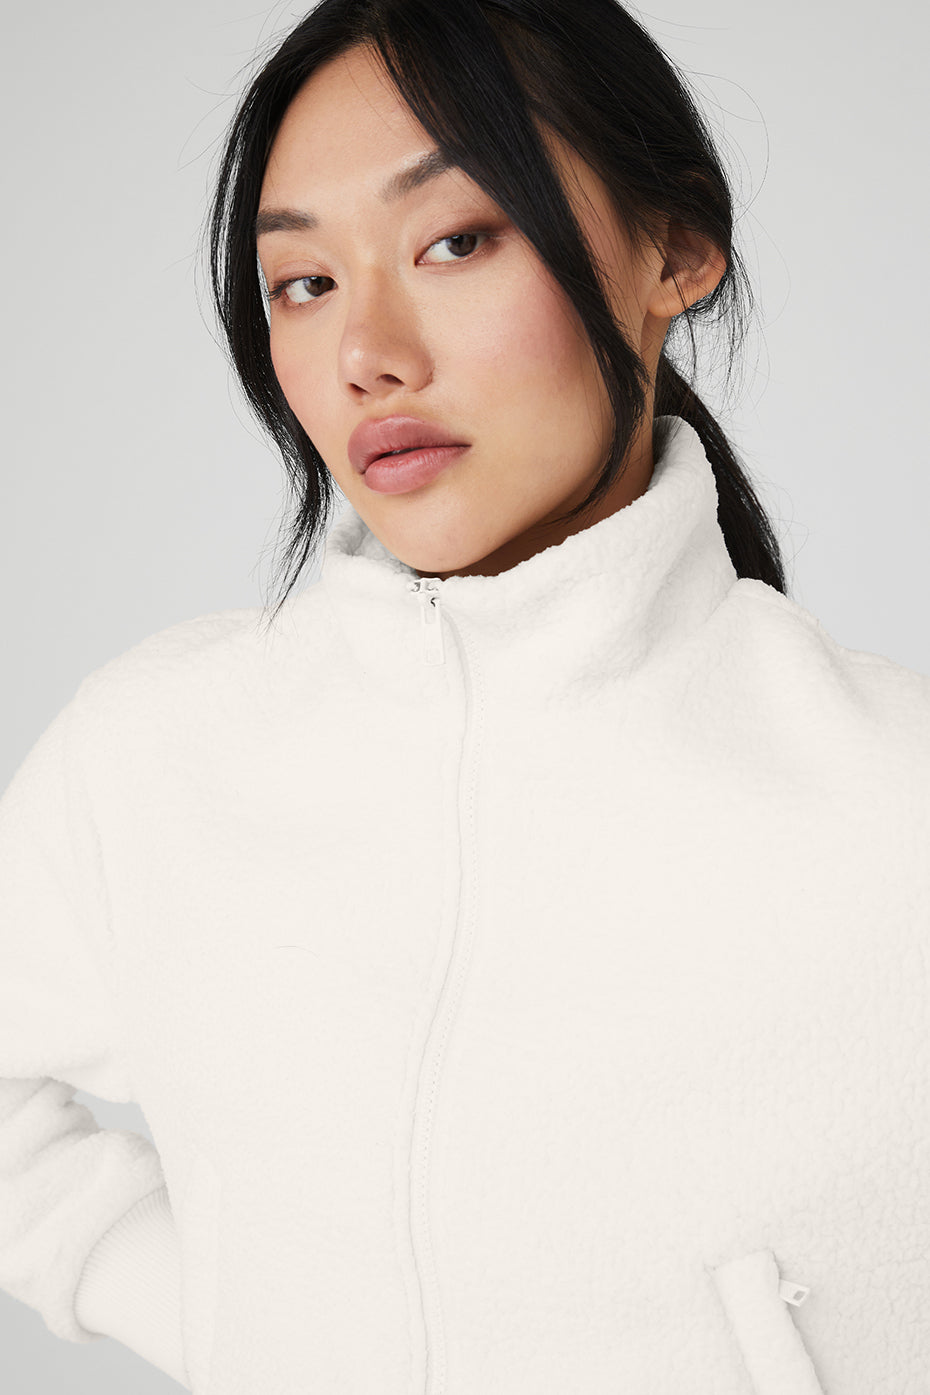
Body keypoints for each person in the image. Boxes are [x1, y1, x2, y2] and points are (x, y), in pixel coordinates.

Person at [0, 1, 927, 1392]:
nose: (366, 352)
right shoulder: (154, 755)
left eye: (454, 242)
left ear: (673, 250)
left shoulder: (897, 802)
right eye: (303, 282)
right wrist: (220, 1316)